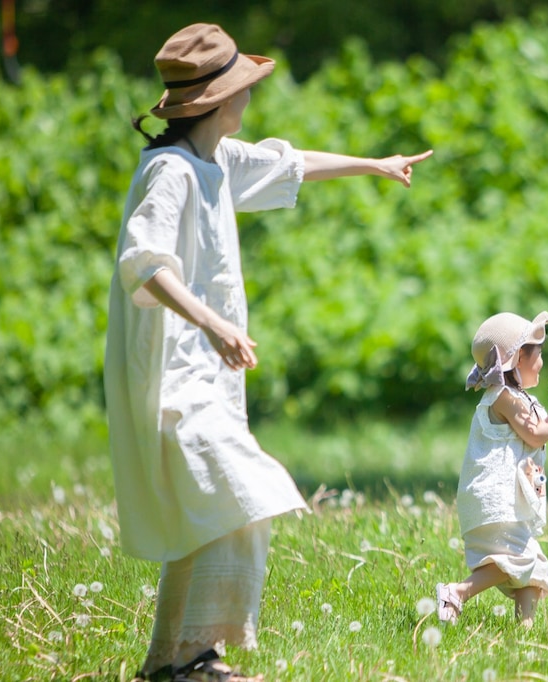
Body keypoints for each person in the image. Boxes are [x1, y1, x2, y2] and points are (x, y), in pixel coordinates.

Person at [103, 23, 432, 682]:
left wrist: (374, 164)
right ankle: (192, 659)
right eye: (242, 90)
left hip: (208, 378)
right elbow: (143, 265)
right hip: (172, 376)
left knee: (212, 510)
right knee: (240, 493)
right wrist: (213, 323)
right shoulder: (168, 172)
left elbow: (289, 162)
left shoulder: (215, 161)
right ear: (216, 101)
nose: (249, 99)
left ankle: (173, 664)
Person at [434, 311, 548, 628]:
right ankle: (456, 592)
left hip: (512, 503)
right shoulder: (502, 397)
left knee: (532, 568)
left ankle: (524, 633)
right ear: (517, 359)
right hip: (495, 499)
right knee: (518, 560)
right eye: (537, 355)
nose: (541, 363)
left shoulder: (524, 400)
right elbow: (538, 433)